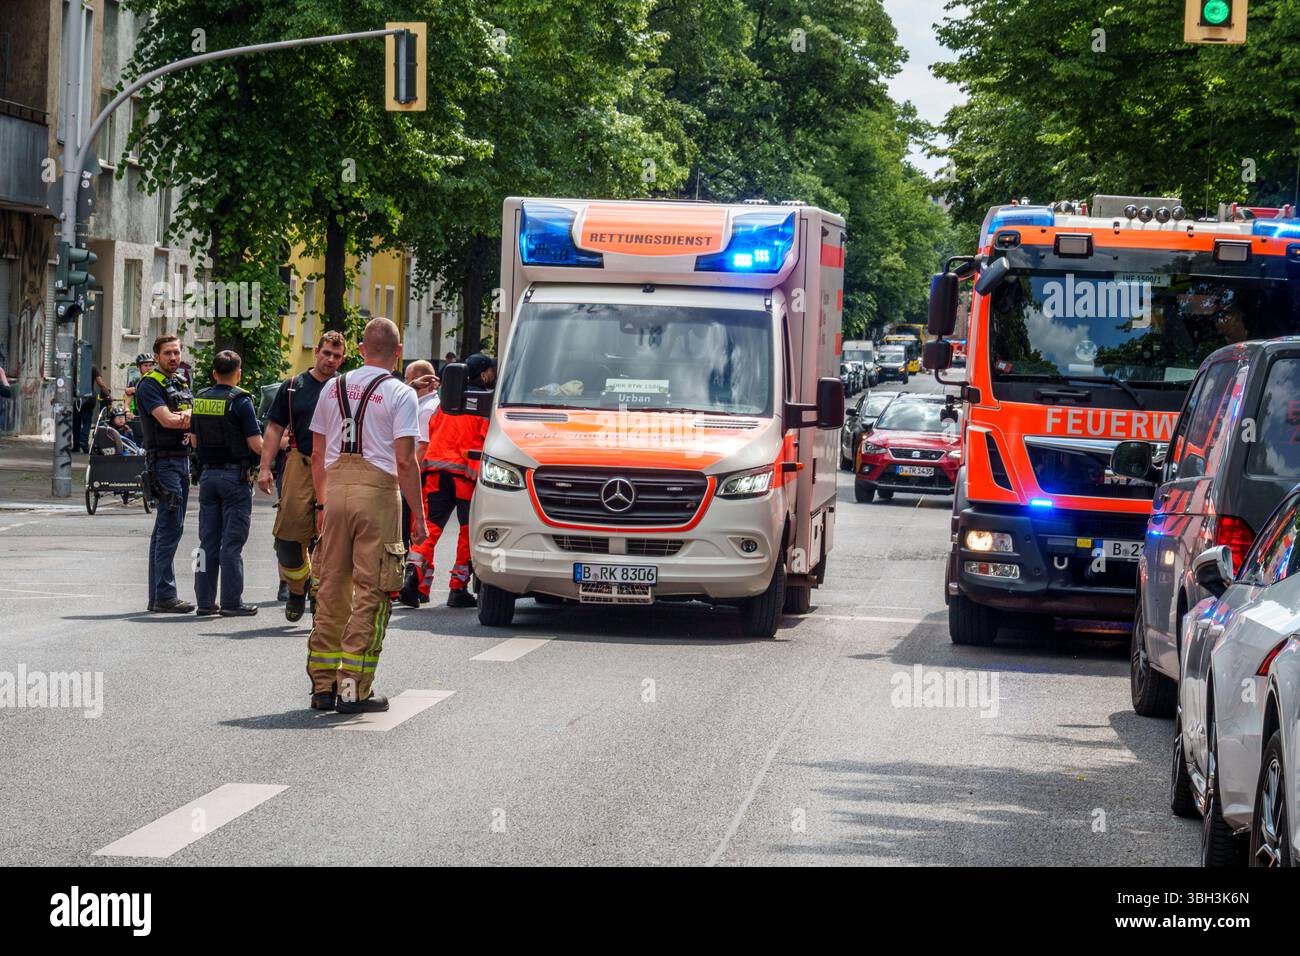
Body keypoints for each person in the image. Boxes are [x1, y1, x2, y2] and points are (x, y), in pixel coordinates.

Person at [305, 318, 427, 713]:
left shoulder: (332, 387)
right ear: (397, 353)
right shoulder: (400, 393)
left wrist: (323, 504)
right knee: (372, 591)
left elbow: (319, 454)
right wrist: (419, 517)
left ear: (359, 349)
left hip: (336, 491)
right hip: (377, 495)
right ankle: (353, 688)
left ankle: (322, 687)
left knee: (331, 588)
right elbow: (406, 462)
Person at [257, 331, 346, 622]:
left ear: (342, 358)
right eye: (326, 353)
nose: (330, 360)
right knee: (287, 536)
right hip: (300, 462)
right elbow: (274, 428)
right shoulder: (294, 386)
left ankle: (321, 596)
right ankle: (297, 588)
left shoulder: (345, 388)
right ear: (316, 351)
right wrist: (265, 467)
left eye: (336, 355)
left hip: (336, 466)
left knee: (331, 537)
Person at [400, 353, 495, 609]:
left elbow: (431, 431)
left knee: (428, 527)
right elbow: (490, 442)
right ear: (484, 373)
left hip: (435, 472)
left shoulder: (445, 403)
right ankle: (457, 588)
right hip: (466, 476)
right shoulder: (485, 407)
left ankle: (414, 579)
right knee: (466, 532)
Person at [191, 350, 264, 617]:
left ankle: (205, 602)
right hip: (235, 478)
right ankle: (232, 602)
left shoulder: (199, 399)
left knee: (206, 543)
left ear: (213, 373)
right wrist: (275, 446)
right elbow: (255, 444)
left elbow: (195, 441)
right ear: (238, 373)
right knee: (231, 543)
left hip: (208, 477)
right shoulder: (241, 402)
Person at [136, 335, 194, 614]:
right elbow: (168, 420)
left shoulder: (181, 382)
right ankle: (164, 595)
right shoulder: (148, 385)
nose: (173, 358)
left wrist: (187, 417)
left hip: (181, 460)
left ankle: (158, 595)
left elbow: (182, 418)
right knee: (170, 527)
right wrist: (195, 416)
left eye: (177, 352)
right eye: (168, 353)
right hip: (163, 462)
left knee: (165, 528)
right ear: (156, 356)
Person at [401, 360, 440, 561]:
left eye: (408, 379)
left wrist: (404, 476)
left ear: (423, 382)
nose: (406, 384)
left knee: (407, 531)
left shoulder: (426, 409)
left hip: (415, 477)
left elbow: (422, 448)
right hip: (422, 477)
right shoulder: (431, 405)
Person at [125, 353, 154, 418]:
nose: (148, 368)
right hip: (139, 414)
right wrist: (127, 411)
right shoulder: (135, 381)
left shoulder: (155, 380)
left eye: (150, 365)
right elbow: (128, 398)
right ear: (139, 367)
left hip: (154, 413)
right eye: (145, 365)